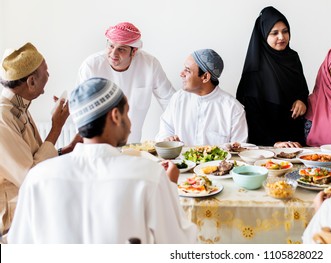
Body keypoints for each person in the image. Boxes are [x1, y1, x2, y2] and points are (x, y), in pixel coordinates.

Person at [8, 78, 197, 243]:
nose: (130, 125)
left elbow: (20, 246)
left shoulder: (37, 179)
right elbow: (179, 247)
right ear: (116, 116)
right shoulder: (149, 176)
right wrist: (169, 185)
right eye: (127, 113)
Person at [0, 42, 80, 237]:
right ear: (31, 82)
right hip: (14, 216)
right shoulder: (3, 117)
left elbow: (32, 158)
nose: (49, 75)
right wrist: (56, 128)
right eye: (46, 70)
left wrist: (65, 150)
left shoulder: (18, 108)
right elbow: (30, 178)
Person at [79, 22, 175, 143]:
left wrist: (167, 134)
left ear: (134, 51)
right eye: (111, 46)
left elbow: (171, 102)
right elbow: (84, 109)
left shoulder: (150, 64)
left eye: (121, 49)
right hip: (98, 143)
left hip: (133, 144)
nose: (114, 53)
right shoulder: (91, 66)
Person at [236, 6, 309, 146]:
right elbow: (251, 115)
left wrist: (302, 100)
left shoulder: (293, 58)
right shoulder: (255, 68)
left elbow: (302, 89)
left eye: (285, 31)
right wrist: (274, 142)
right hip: (267, 144)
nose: (281, 37)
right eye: (274, 33)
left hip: (296, 140)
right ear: (264, 35)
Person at [155, 49, 248, 146]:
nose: (181, 74)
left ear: (205, 77)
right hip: (178, 161)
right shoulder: (178, 98)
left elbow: (238, 150)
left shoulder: (233, 109)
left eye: (187, 70)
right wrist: (168, 139)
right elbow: (164, 131)